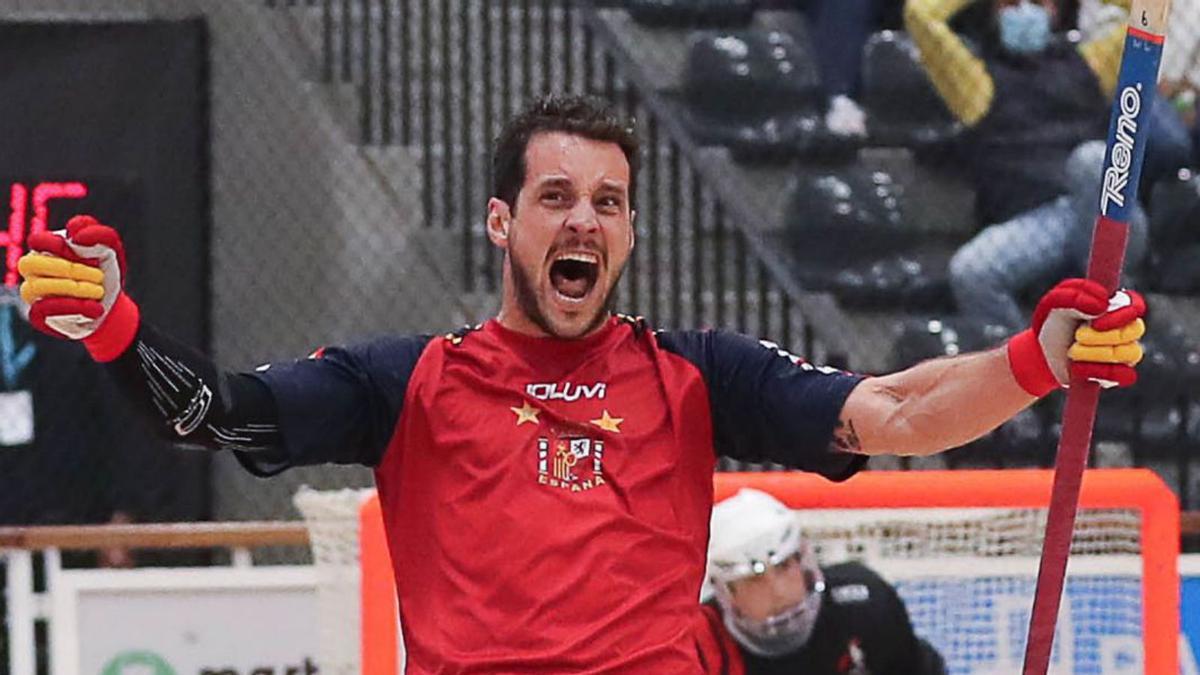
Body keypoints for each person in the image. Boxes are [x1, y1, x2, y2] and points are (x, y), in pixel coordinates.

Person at [16, 94, 1146, 673]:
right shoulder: (405, 381)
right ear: (503, 221)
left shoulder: (697, 375)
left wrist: (1036, 359)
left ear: (631, 232)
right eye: (557, 196)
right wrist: (114, 326)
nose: (583, 220)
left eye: (607, 202)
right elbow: (212, 413)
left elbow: (897, 411)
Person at [905, 0, 1189, 330]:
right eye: (1012, 2)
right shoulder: (975, 82)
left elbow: (1150, 13)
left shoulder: (1089, 65)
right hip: (1037, 221)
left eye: (1038, 2)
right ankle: (1027, 366)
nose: (1025, 9)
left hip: (1105, 212)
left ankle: (1112, 292)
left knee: (1091, 160)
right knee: (971, 272)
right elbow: (920, 14)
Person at [694, 488, 946, 675]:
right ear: (727, 593)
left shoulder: (863, 602)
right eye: (754, 579)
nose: (778, 591)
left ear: (803, 561)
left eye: (783, 567)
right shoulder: (699, 644)